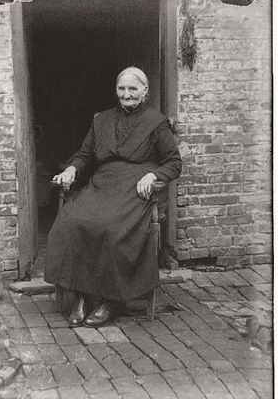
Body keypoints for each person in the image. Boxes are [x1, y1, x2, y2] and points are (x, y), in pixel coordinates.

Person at [44, 67, 182, 328]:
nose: (126, 94)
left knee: (110, 228)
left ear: (144, 91)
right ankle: (81, 296)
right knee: (71, 222)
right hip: (103, 185)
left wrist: (153, 175)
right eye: (122, 88)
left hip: (135, 188)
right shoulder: (102, 120)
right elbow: (85, 155)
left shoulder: (156, 122)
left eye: (133, 89)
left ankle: (109, 300)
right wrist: (72, 169)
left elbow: (174, 162)